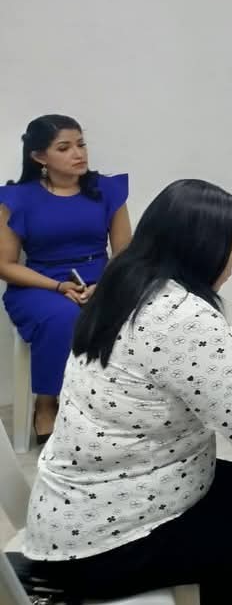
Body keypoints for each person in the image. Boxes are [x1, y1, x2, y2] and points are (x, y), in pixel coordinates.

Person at [20, 179, 232, 604]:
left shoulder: (127, 282)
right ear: (200, 249)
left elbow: (173, 356)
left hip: (74, 510)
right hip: (103, 544)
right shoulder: (183, 315)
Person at [0, 115, 131, 441]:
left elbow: (125, 253)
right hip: (39, 283)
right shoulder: (17, 198)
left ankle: (119, 403)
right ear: (39, 157)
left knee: (143, 309)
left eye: (81, 144)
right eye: (64, 147)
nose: (78, 153)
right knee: (63, 316)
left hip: (102, 279)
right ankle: (47, 404)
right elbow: (5, 265)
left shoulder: (107, 190)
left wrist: (103, 287)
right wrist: (58, 287)